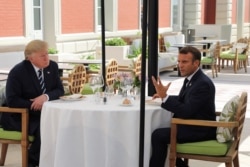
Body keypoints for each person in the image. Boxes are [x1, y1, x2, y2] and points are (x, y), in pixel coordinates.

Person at [1, 40, 64, 167]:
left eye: (47, 54)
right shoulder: (18, 72)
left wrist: (45, 97)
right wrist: (34, 104)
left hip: (43, 113)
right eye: (42, 56)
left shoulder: (52, 66)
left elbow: (59, 90)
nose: (47, 58)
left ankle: (55, 160)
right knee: (46, 127)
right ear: (30, 58)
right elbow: (12, 100)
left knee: (63, 123)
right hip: (19, 116)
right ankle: (33, 161)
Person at [149, 46, 216, 167]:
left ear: (196, 63)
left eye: (184, 62)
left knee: (158, 135)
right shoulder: (193, 79)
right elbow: (184, 99)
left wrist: (166, 98)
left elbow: (186, 111)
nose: (180, 65)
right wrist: (164, 96)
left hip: (201, 129)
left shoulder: (203, 84)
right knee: (162, 133)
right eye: (179, 61)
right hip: (194, 125)